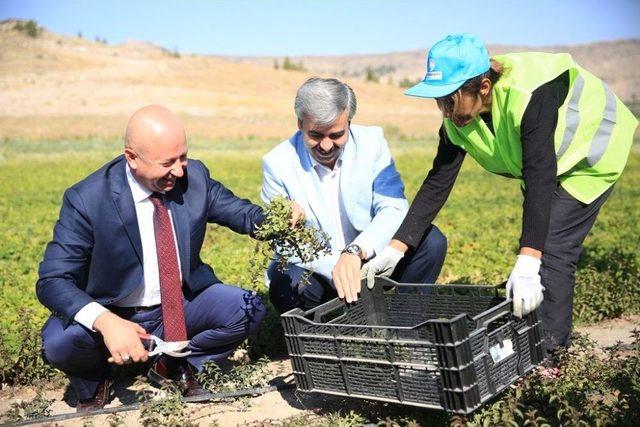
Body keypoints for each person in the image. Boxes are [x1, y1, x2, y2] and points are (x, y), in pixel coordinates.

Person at [364, 34, 638, 358]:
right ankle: (530, 345)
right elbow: (438, 182)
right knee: (537, 249)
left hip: (592, 154)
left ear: (482, 88)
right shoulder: (457, 121)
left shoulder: (529, 95)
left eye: (450, 100)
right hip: (550, 164)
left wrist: (528, 262)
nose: (445, 111)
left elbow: (539, 176)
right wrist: (396, 248)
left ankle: (551, 359)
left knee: (552, 249)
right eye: (439, 101)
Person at [36, 105, 303, 412]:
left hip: (179, 304)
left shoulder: (194, 178)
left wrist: (278, 219)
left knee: (248, 309)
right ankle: (97, 378)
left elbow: (242, 213)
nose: (179, 170)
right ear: (132, 158)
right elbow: (53, 280)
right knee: (59, 342)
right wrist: (107, 322)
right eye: (167, 163)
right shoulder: (87, 199)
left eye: (183, 157)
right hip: (114, 308)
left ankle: (175, 366)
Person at [261, 77, 447, 313]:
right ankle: (322, 336)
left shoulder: (372, 143)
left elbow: (393, 208)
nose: (326, 146)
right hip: (319, 270)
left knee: (430, 241)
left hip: (368, 258)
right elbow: (285, 241)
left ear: (349, 122)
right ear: (300, 123)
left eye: (336, 135)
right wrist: (337, 267)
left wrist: (357, 252)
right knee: (286, 280)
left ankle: (403, 326)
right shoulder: (277, 164)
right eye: (316, 135)